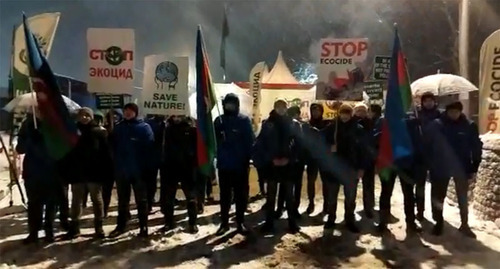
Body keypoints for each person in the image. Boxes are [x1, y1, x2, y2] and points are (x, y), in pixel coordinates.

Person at [425, 101, 482, 238]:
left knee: (463, 198)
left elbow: (476, 146)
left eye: (457, 112)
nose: (454, 114)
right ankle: (438, 223)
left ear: (461, 112)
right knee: (438, 196)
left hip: (462, 166)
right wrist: (429, 164)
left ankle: (465, 224)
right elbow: (427, 145)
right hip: (440, 166)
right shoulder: (437, 125)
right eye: (451, 112)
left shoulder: (469, 126)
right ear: (446, 111)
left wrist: (475, 165)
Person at [61, 108, 112, 239]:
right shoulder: (73, 133)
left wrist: (106, 172)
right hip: (77, 173)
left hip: (94, 174)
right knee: (76, 201)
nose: (84, 118)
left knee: (96, 200)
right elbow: (68, 153)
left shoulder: (99, 133)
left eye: (87, 115)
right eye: (81, 115)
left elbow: (106, 154)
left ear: (91, 117)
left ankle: (98, 227)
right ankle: (74, 227)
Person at [253, 99, 301, 234]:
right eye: (278, 107)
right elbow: (261, 144)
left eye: (283, 107)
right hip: (272, 165)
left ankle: (292, 222)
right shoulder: (268, 124)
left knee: (289, 196)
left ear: (287, 108)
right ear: (274, 108)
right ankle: (269, 223)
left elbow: (299, 145)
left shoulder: (294, 124)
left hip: (288, 165)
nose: (281, 109)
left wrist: (289, 159)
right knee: (271, 196)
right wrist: (271, 159)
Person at [109, 103, 154, 238]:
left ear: (136, 112)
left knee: (141, 201)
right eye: (126, 111)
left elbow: (149, 149)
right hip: (122, 171)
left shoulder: (144, 128)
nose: (128, 113)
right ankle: (121, 226)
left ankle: (143, 226)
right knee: (123, 200)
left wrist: (147, 169)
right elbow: (111, 147)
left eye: (130, 111)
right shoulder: (118, 128)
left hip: (138, 171)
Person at [214, 93, 254, 236]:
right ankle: (224, 223)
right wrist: (220, 136)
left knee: (240, 196)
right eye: (227, 104)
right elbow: (213, 142)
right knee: (224, 196)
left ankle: (240, 222)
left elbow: (250, 141)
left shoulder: (243, 121)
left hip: (240, 165)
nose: (229, 106)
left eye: (232, 104)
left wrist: (249, 158)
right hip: (224, 165)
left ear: (237, 105)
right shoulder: (219, 121)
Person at [377, 113, 424, 234]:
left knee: (408, 194)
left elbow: (417, 142)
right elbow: (375, 139)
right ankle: (383, 222)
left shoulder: (410, 122)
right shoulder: (383, 121)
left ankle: (411, 222)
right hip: (388, 162)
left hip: (406, 164)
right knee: (386, 193)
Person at [321, 104, 364, 233]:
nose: (345, 115)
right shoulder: (332, 128)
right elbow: (322, 144)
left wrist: (361, 167)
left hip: (351, 167)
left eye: (347, 113)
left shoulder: (358, 129)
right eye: (343, 113)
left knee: (350, 197)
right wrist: (329, 149)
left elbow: (363, 150)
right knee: (332, 196)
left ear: (351, 114)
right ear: (339, 113)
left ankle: (349, 219)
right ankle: (331, 218)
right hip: (335, 167)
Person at [16, 112, 58, 244]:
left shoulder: (55, 123)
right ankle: (33, 232)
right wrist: (30, 139)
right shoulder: (27, 125)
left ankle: (49, 231)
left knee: (52, 203)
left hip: (51, 170)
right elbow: (20, 149)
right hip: (32, 171)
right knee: (34, 204)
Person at [160, 115, 199, 234]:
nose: (177, 117)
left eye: (179, 115)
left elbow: (197, 147)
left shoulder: (191, 128)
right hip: (170, 167)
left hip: (187, 168)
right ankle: (168, 222)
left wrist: (194, 162)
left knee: (191, 197)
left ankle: (193, 223)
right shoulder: (167, 128)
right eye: (174, 115)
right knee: (169, 197)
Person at [414, 92, 442, 220]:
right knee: (420, 186)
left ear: (434, 101)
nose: (428, 103)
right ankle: (420, 211)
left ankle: (436, 215)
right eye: (426, 101)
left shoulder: (441, 115)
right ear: (422, 102)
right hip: (420, 155)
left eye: (431, 100)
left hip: (436, 156)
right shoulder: (417, 114)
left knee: (436, 188)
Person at [302, 103, 330, 215]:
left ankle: (326, 205)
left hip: (324, 158)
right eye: (314, 110)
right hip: (312, 158)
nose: (316, 112)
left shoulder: (327, 124)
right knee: (310, 181)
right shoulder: (307, 125)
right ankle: (311, 203)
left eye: (318, 110)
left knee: (326, 183)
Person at [276, 106, 304, 219]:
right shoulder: (285, 125)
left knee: (297, 187)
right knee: (283, 186)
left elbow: (301, 143)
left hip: (298, 161)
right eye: (291, 114)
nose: (293, 116)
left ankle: (294, 209)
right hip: (287, 161)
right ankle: (279, 208)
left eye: (295, 114)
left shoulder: (301, 125)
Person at [352, 103, 376, 219]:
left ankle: (368, 208)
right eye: (358, 110)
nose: (361, 113)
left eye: (363, 110)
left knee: (368, 186)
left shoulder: (371, 123)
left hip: (368, 159)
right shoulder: (351, 124)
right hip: (353, 159)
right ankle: (350, 209)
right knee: (352, 187)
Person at [102, 109, 123, 217]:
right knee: (106, 191)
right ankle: (104, 210)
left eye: (116, 116)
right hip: (107, 165)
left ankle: (124, 212)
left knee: (122, 192)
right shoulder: (103, 131)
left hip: (120, 164)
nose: (114, 119)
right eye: (111, 117)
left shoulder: (122, 129)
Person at [145, 115, 166, 213]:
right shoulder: (149, 124)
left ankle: (163, 203)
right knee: (150, 182)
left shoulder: (168, 124)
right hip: (152, 156)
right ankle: (149, 203)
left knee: (165, 182)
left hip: (166, 157)